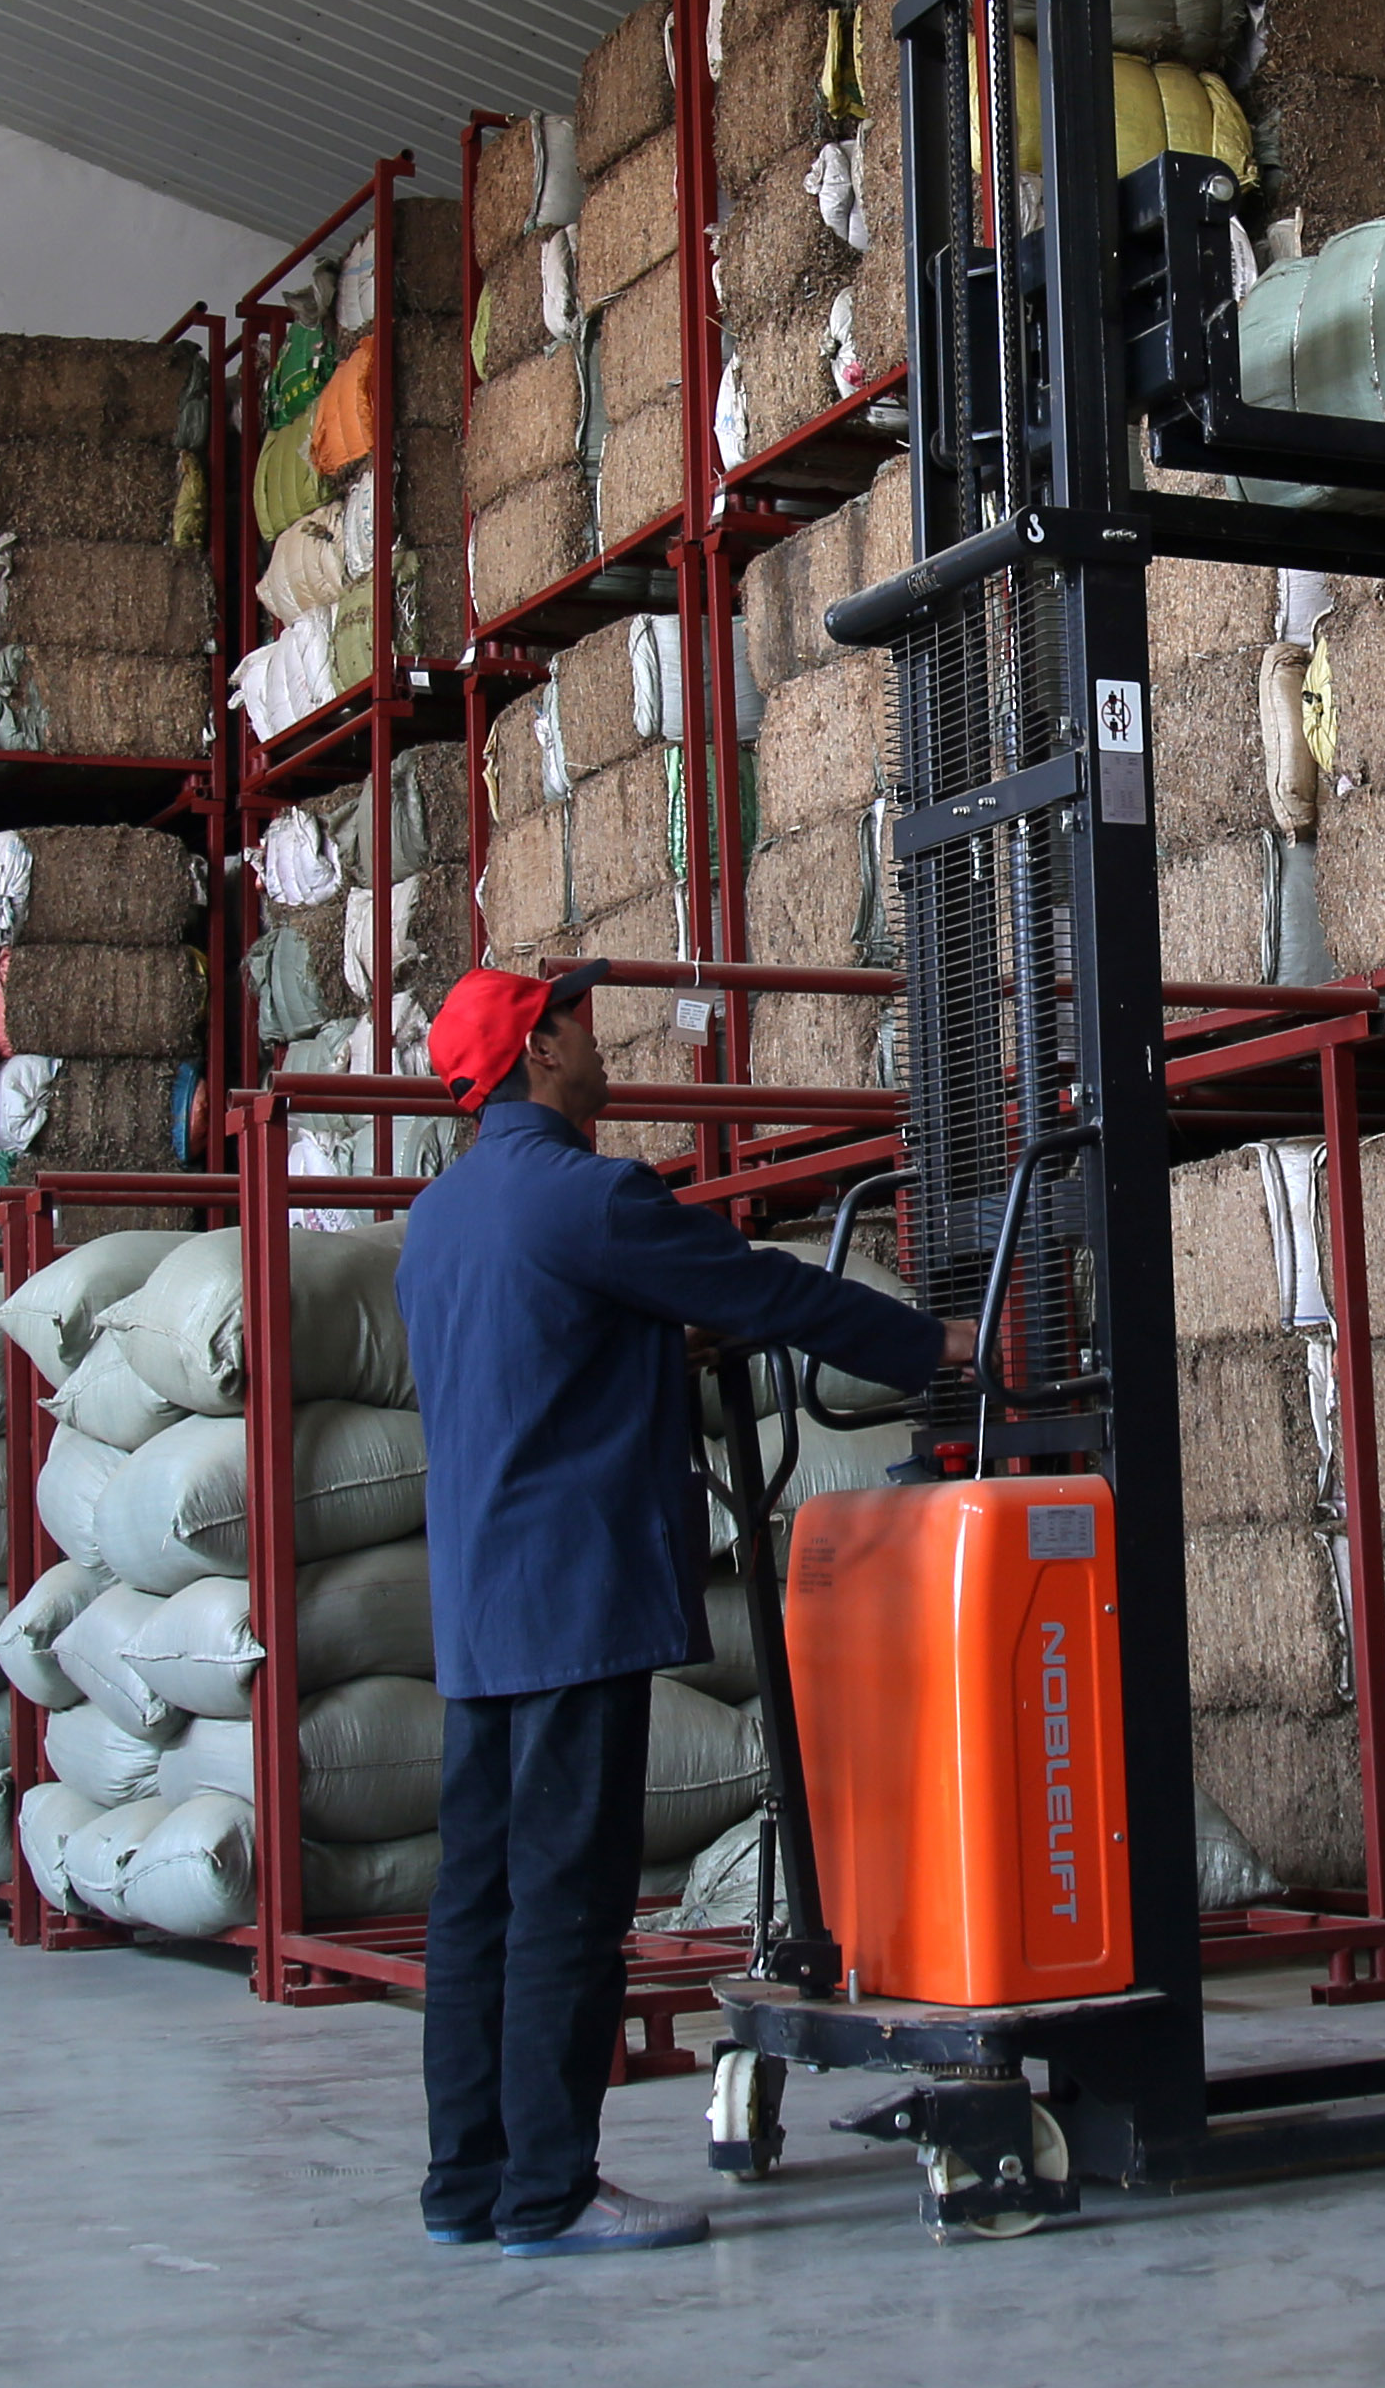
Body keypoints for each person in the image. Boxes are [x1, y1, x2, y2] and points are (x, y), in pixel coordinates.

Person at [392, 958, 959, 2258]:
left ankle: (465, 2185)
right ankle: (550, 2193)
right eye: (577, 1024)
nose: (600, 1042)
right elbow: (765, 1289)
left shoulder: (441, 1219)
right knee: (570, 1900)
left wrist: (648, 1345)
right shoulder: (591, 1196)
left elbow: (532, 1359)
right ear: (539, 1054)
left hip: (480, 1607)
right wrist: (935, 1345)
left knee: (478, 1901)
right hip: (573, 1602)